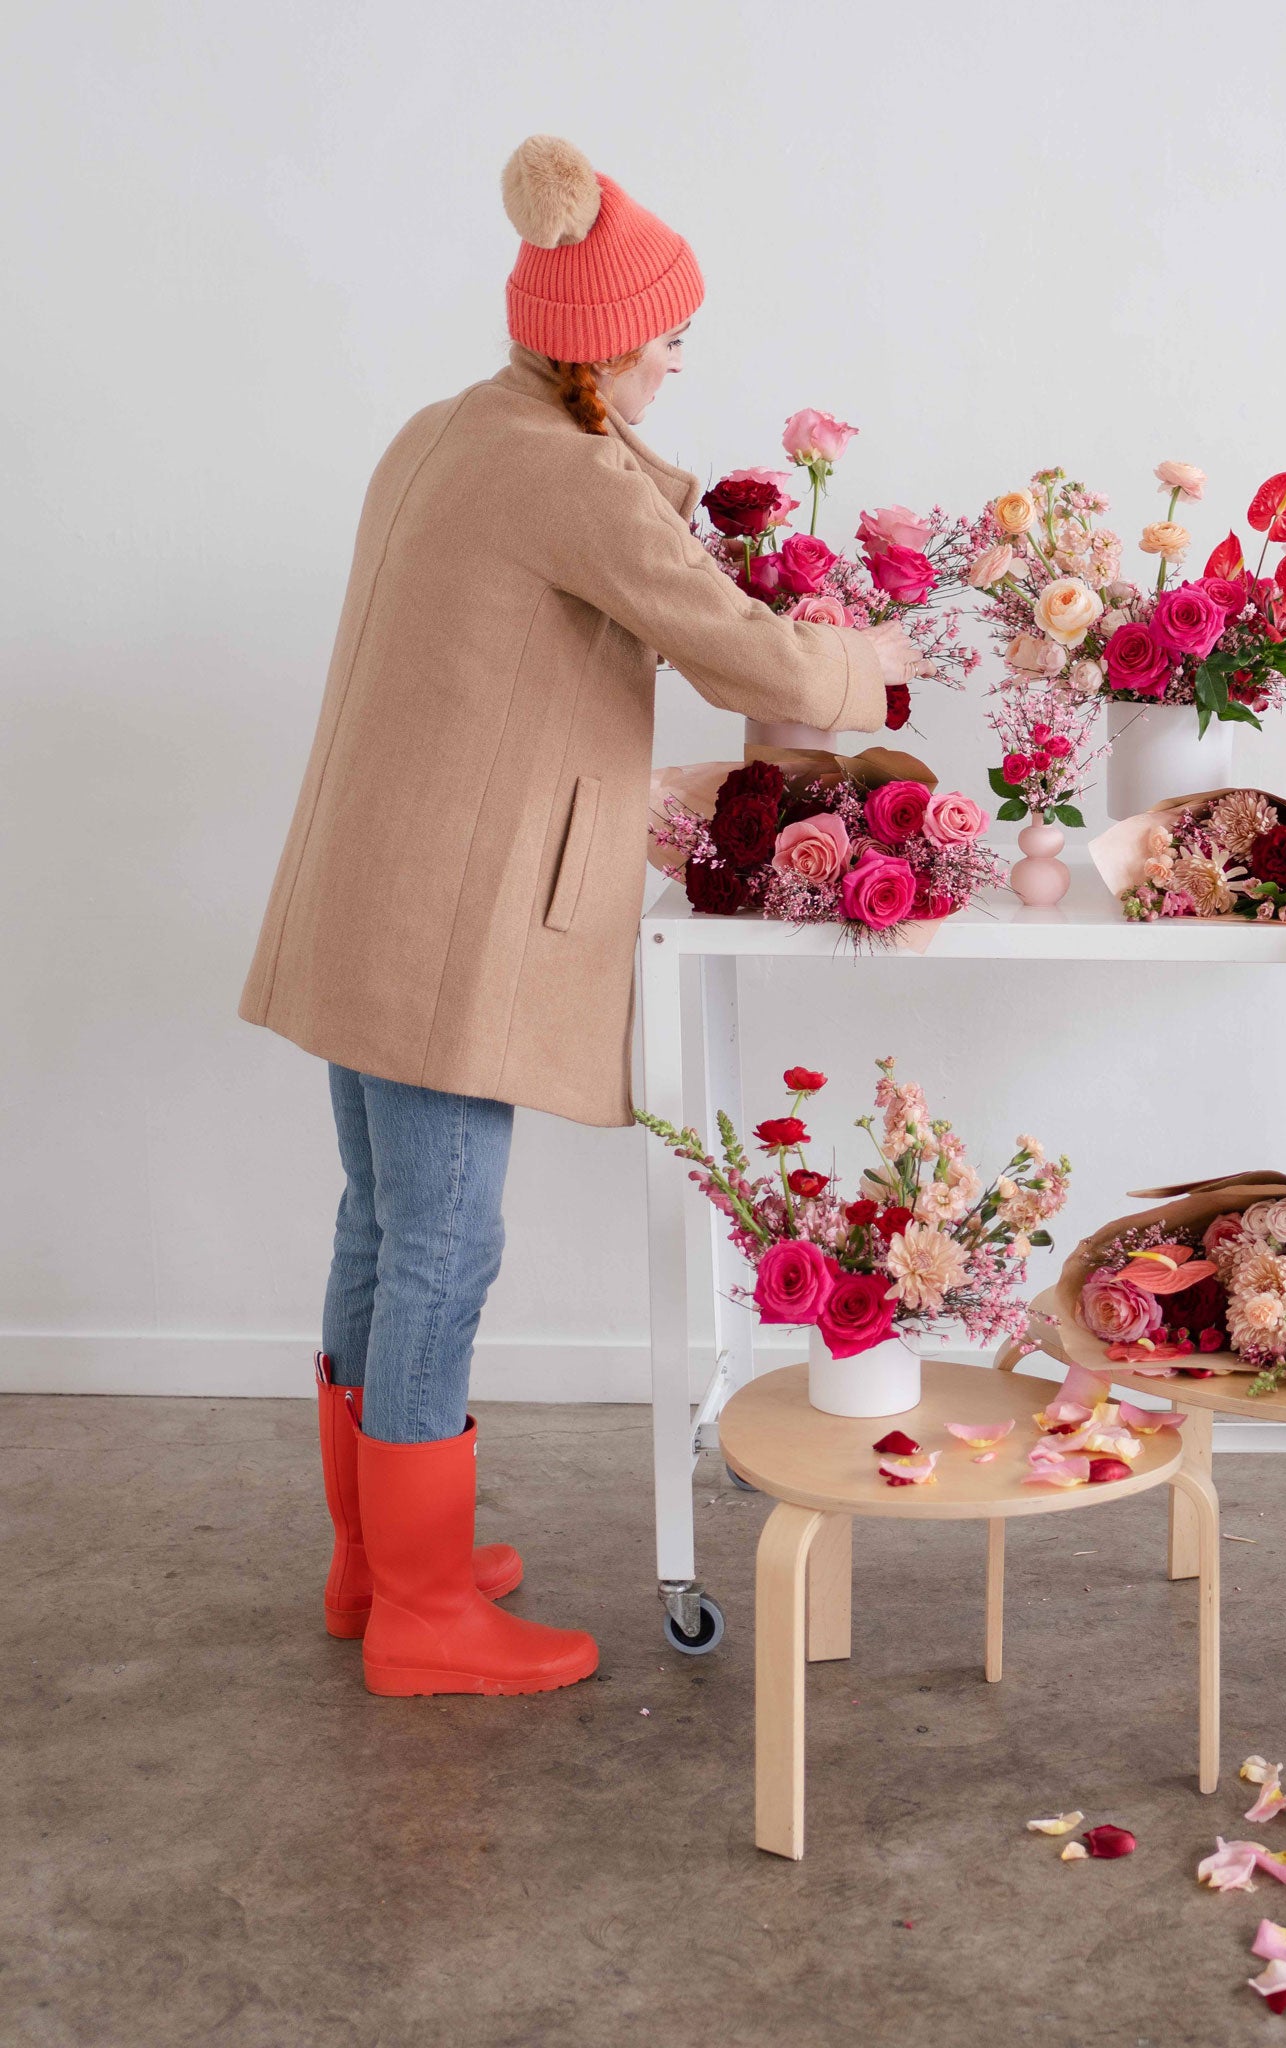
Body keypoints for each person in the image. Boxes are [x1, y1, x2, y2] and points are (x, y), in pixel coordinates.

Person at [239, 136, 925, 1699]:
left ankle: (375, 1567)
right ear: (603, 343)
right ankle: (423, 1615)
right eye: (671, 336)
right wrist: (862, 669)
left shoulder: (454, 429)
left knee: (380, 1226)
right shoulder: (564, 474)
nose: (684, 360)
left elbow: (597, 550)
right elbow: (725, 647)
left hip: (369, 886)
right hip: (445, 922)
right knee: (445, 1250)